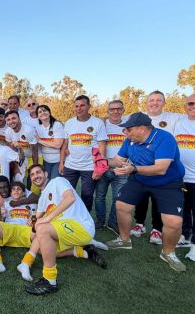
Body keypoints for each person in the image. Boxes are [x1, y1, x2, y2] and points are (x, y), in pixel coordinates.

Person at [106, 112, 186, 272]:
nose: (125, 132)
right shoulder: (130, 140)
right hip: (139, 179)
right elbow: (118, 161)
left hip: (167, 182)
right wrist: (102, 161)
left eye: (128, 129)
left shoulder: (165, 138)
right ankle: (124, 240)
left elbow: (161, 168)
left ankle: (168, 253)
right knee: (121, 205)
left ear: (142, 128)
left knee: (174, 222)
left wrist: (134, 169)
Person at [24, 164, 106, 295]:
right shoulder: (42, 198)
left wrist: (46, 218)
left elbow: (70, 198)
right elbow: (36, 221)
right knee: (44, 249)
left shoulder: (57, 181)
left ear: (46, 174)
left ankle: (50, 281)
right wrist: (31, 221)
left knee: (43, 229)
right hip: (66, 230)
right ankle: (85, 251)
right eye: (32, 175)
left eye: (38, 172)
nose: (35, 176)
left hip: (81, 226)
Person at [131, 90, 182, 244]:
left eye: (158, 100)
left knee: (157, 198)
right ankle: (139, 223)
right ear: (146, 103)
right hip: (142, 165)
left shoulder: (175, 117)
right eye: (151, 100)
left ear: (164, 103)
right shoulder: (139, 117)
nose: (155, 103)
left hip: (163, 166)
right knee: (141, 197)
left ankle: (157, 229)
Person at [60, 95, 107, 212]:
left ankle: (85, 218)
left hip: (89, 167)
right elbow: (65, 145)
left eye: (82, 105)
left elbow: (102, 146)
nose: (79, 108)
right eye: (76, 106)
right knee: (66, 193)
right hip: (70, 165)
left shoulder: (98, 123)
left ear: (89, 106)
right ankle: (68, 216)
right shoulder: (69, 123)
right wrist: (61, 163)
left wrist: (99, 168)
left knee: (87, 196)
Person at [0, 181, 38, 278]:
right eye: (13, 189)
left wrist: (33, 222)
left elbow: (36, 218)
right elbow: (1, 221)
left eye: (19, 189)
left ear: (23, 193)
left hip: (25, 230)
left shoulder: (32, 204)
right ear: (11, 192)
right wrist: (1, 215)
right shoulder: (6, 203)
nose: (16, 191)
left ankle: (26, 263)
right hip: (9, 229)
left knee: (41, 230)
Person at [94, 100, 128, 233]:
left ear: (123, 110)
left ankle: (112, 222)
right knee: (99, 196)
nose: (115, 111)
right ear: (107, 111)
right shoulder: (101, 124)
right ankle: (100, 220)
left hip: (122, 168)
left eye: (119, 109)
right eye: (112, 109)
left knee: (118, 198)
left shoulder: (129, 125)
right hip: (104, 167)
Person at [174, 94, 195, 257]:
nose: (193, 106)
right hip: (181, 176)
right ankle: (185, 235)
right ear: (185, 106)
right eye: (190, 103)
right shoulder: (178, 121)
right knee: (184, 208)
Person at [4, 110, 39, 180]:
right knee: (20, 179)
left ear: (19, 119)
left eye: (13, 118)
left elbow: (35, 150)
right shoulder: (7, 132)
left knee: (34, 178)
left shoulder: (28, 130)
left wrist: (35, 166)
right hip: (21, 157)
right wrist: (16, 166)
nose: (11, 121)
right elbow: (10, 150)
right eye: (8, 120)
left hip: (32, 156)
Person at [35, 104, 65, 180]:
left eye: (45, 110)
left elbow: (58, 144)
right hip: (46, 160)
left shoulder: (57, 125)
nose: (43, 113)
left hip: (57, 160)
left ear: (49, 112)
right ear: (38, 116)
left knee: (55, 181)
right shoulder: (37, 127)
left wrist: (40, 141)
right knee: (47, 181)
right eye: (40, 112)